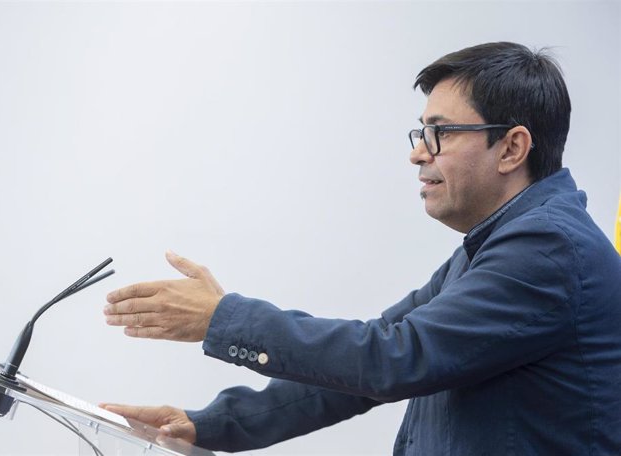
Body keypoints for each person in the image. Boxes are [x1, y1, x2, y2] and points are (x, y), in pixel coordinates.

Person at [100, 42, 621, 455]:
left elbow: (390, 361)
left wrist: (223, 318)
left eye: (439, 133)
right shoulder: (490, 249)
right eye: (420, 132)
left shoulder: (548, 250)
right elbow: (357, 378)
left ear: (511, 147)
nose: (418, 154)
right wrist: (207, 424)